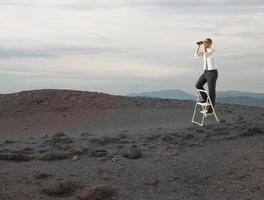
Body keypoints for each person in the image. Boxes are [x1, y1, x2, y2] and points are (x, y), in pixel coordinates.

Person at [194, 38, 218, 114]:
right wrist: (198, 46)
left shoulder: (212, 51)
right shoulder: (205, 51)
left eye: (205, 43)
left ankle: (211, 109)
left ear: (210, 44)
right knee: (198, 85)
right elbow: (196, 56)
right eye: (204, 43)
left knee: (211, 90)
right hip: (206, 72)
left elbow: (207, 54)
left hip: (212, 73)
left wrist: (204, 47)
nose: (204, 44)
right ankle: (206, 98)